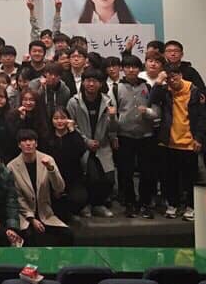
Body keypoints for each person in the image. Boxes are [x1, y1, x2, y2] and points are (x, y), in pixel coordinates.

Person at [149, 63, 206, 221]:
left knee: (190, 178)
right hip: (168, 141)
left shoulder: (193, 91)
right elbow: (151, 99)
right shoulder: (165, 90)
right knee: (169, 177)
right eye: (168, 78)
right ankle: (172, 205)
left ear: (181, 75)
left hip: (189, 142)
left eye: (174, 77)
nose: (172, 81)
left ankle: (191, 207)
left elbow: (201, 117)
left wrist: (198, 138)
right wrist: (159, 81)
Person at [113, 54, 160, 218]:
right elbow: (112, 113)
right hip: (124, 135)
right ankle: (130, 203)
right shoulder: (116, 88)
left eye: (134, 67)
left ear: (140, 69)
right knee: (126, 172)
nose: (131, 70)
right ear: (123, 69)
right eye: (127, 67)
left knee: (147, 171)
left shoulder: (148, 87)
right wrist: (114, 135)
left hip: (146, 136)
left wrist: (147, 112)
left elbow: (156, 112)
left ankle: (145, 203)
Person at [66, 69, 117, 217]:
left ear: (100, 84)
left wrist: (112, 118)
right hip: (83, 146)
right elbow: (71, 125)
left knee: (109, 178)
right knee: (91, 176)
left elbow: (114, 128)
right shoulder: (74, 102)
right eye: (88, 80)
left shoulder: (108, 101)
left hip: (102, 145)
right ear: (83, 82)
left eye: (95, 81)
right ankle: (87, 204)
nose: (91, 84)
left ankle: (98, 204)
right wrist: (86, 141)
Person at [7, 129, 71, 245]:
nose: (28, 143)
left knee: (67, 234)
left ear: (36, 143)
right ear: (19, 145)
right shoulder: (12, 166)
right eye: (24, 141)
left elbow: (59, 188)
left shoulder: (48, 159)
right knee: (30, 237)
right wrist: (32, 219)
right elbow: (17, 197)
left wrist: (51, 169)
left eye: (31, 140)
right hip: (24, 215)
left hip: (45, 213)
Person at [43, 108, 87, 223]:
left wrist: (72, 131)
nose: (59, 121)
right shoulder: (47, 137)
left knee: (79, 198)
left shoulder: (73, 135)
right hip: (52, 178)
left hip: (73, 177)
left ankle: (70, 212)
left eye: (63, 118)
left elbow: (81, 150)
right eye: (56, 118)